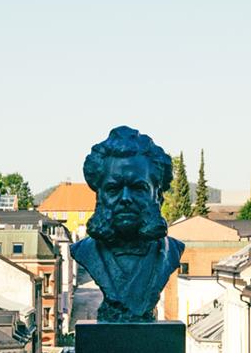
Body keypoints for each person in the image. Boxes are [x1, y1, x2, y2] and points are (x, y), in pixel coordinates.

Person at [69, 126, 185, 322]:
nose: (125, 199)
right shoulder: (84, 252)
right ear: (99, 195)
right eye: (113, 189)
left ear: (157, 194)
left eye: (138, 188)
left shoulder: (171, 251)